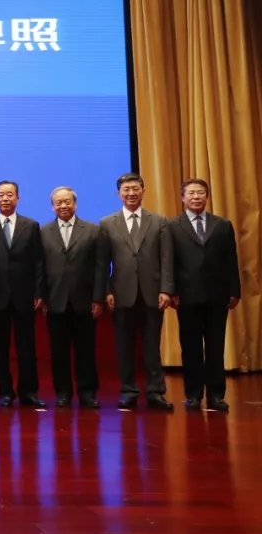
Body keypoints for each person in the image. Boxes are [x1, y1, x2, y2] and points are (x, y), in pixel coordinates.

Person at [99, 172, 174, 411]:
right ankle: (128, 391)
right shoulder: (107, 223)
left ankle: (155, 392)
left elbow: (166, 258)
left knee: (152, 346)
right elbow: (103, 263)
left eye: (135, 189)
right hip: (121, 294)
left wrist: (166, 289)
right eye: (126, 190)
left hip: (152, 293)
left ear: (143, 191)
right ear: (118, 194)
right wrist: (107, 291)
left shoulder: (159, 221)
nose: (131, 193)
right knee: (125, 346)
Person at [169, 178, 241, 412]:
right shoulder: (172, 226)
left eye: (200, 192)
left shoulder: (222, 225)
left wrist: (234, 291)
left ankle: (216, 395)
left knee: (215, 347)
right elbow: (169, 262)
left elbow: (231, 261)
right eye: (191, 193)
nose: (196, 197)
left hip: (217, 296)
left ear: (207, 197)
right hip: (186, 297)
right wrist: (171, 291)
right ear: (183, 198)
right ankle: (193, 395)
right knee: (190, 348)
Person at [40, 187, 104, 408]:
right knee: (59, 352)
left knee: (86, 351)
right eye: (58, 203)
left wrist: (98, 298)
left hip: (84, 300)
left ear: (75, 204)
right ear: (52, 207)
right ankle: (63, 393)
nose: (63, 206)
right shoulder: (43, 231)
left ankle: (87, 393)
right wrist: (42, 297)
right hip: (55, 300)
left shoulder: (93, 230)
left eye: (67, 201)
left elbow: (100, 267)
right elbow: (40, 267)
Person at [0, 181, 46, 408]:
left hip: (25, 295)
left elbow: (39, 261)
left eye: (10, 195)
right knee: (0, 348)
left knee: (26, 347)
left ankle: (29, 392)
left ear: (17, 199)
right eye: (1, 195)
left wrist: (39, 291)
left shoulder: (30, 225)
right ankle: (5, 392)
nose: (5, 199)